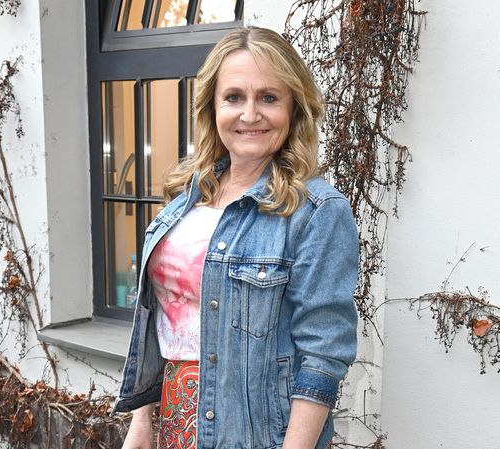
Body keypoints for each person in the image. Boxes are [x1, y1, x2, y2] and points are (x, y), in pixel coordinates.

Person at [114, 26, 359, 449]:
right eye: (233, 97)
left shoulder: (317, 211)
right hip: (174, 423)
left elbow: (323, 354)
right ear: (213, 107)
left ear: (294, 108)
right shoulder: (188, 196)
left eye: (269, 98)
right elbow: (165, 318)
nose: (250, 114)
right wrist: (141, 420)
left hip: (254, 437)